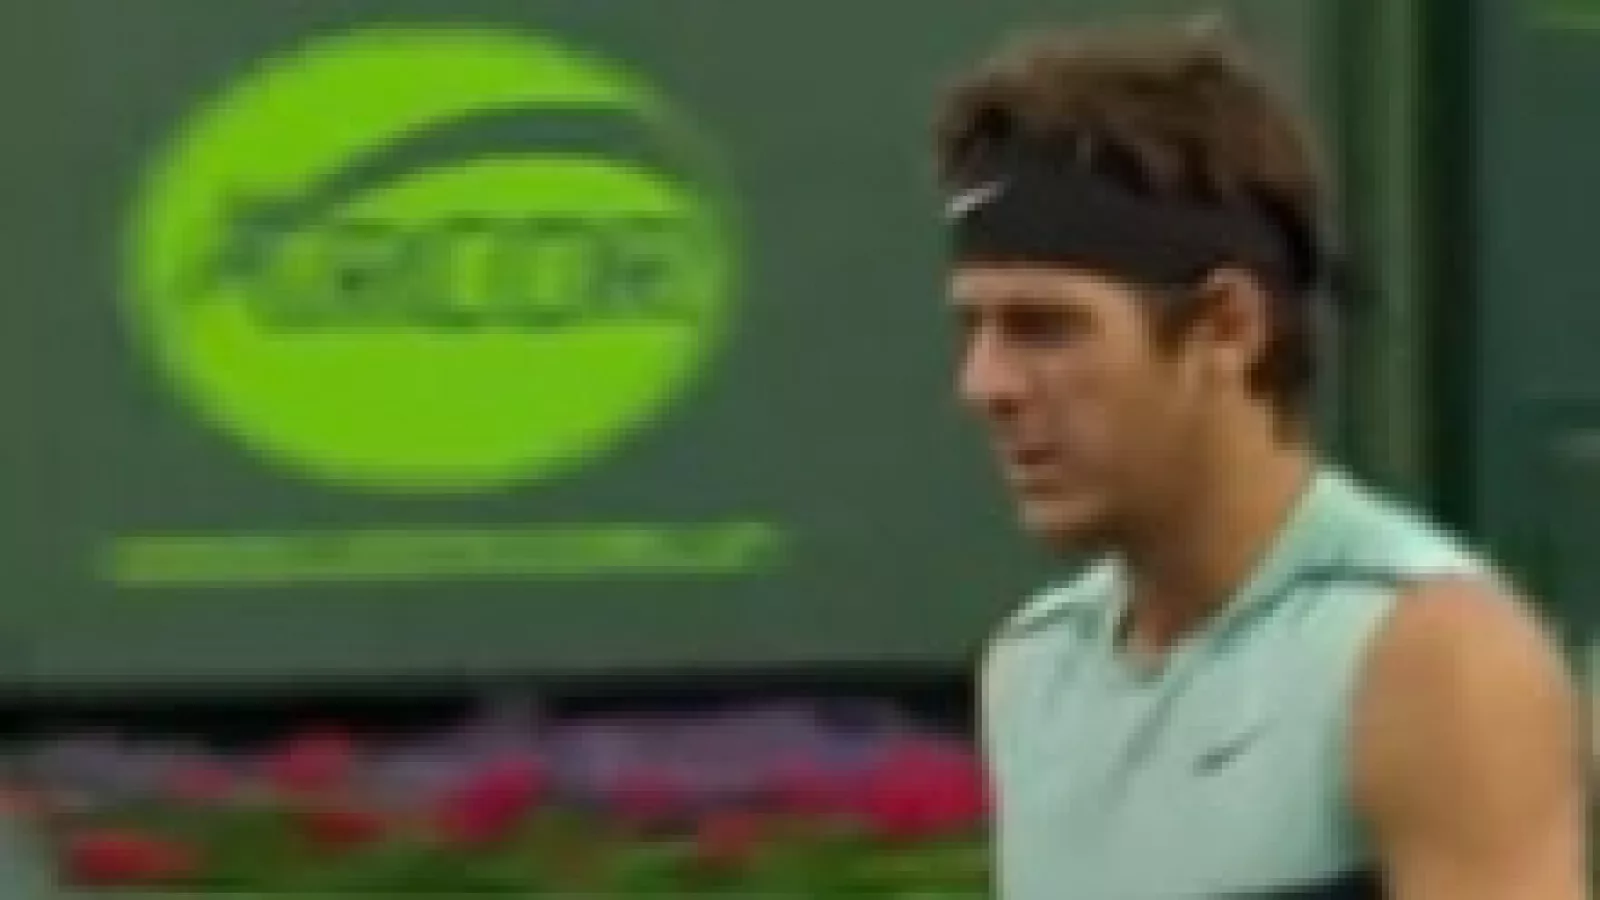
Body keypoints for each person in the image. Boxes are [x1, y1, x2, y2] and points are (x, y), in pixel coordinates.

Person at [937, 22, 1589, 900]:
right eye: (973, 328)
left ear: (1227, 327)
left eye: (1044, 328)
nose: (985, 384)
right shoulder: (1031, 669)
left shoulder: (1436, 659)